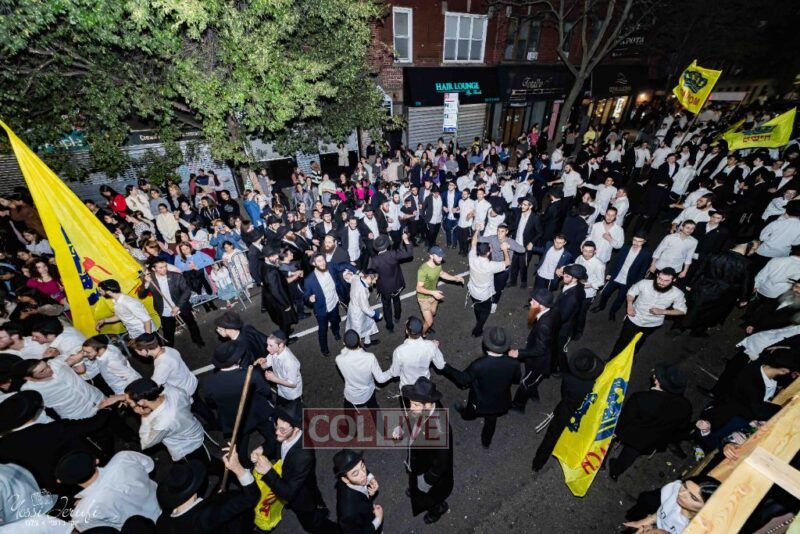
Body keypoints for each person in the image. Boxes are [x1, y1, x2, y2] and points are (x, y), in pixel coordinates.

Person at [0, 390, 112, 493]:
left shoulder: (3, 448)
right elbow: (95, 423)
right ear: (33, 413)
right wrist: (106, 408)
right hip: (87, 472)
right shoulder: (54, 429)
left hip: (59, 490)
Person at [251, 403, 338, 533]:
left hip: (301, 496)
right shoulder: (284, 430)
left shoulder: (303, 456)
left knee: (312, 524)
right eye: (276, 426)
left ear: (296, 429)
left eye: (282, 430)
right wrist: (262, 448)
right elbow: (273, 442)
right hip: (289, 479)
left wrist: (268, 471)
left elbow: (288, 492)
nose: (277, 432)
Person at [609, 363, 692, 480]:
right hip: (652, 441)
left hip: (632, 434)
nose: (653, 375)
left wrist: (616, 432)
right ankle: (615, 472)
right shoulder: (685, 406)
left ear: (658, 382)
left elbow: (624, 420)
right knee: (630, 455)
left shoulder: (640, 398)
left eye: (656, 375)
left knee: (624, 448)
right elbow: (681, 430)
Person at [444, 327, 521, 448]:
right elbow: (516, 379)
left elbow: (463, 379)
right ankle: (486, 442)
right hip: (500, 402)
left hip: (479, 401)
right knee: (491, 422)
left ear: (486, 345)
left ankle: (464, 414)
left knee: (469, 412)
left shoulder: (479, 365)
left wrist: (445, 366)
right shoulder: (514, 363)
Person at [530, 349, 604, 471]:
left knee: (551, 437)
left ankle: (538, 463)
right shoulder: (595, 383)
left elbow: (564, 394)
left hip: (565, 411)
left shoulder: (569, 379)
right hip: (587, 413)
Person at [394, 377, 454, 524]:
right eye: (411, 402)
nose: (411, 407)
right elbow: (410, 415)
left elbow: (441, 464)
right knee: (416, 485)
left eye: (415, 404)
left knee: (431, 497)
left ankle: (437, 509)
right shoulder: (424, 408)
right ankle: (415, 489)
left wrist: (426, 481)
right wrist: (401, 427)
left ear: (428, 404)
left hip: (429, 472)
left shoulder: (440, 431)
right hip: (418, 460)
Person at [54, 449, 161, 531]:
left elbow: (106, 531)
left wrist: (83, 504)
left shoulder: (82, 515)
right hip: (164, 500)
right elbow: (150, 467)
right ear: (96, 460)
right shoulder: (124, 457)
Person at [205, 342, 275, 466]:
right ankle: (270, 454)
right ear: (237, 360)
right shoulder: (251, 375)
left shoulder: (209, 383)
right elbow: (266, 391)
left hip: (234, 418)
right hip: (257, 413)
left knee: (241, 444)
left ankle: (244, 465)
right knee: (272, 436)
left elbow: (210, 402)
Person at [156, 451, 260, 533]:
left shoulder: (162, 523)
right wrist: (238, 468)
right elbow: (252, 496)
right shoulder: (206, 517)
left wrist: (216, 498)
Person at [124, 379, 208, 465]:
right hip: (195, 429)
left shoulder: (161, 422)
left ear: (141, 402)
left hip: (187, 448)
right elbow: (189, 400)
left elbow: (147, 442)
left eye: (129, 402)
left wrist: (145, 416)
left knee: (202, 466)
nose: (126, 403)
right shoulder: (173, 391)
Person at [609, 267, 687, 358]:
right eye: (660, 278)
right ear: (657, 275)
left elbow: (682, 310)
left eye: (666, 281)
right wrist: (629, 305)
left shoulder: (678, 294)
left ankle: (630, 358)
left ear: (673, 280)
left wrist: (663, 311)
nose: (661, 282)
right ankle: (612, 358)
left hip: (652, 323)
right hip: (634, 318)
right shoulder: (644, 283)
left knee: (639, 341)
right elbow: (631, 292)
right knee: (623, 339)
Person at [510, 289, 561, 411]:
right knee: (531, 380)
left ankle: (518, 406)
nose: (530, 302)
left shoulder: (544, 325)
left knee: (526, 383)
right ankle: (533, 393)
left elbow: (540, 350)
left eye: (534, 301)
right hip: (544, 352)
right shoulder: (553, 311)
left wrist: (519, 353)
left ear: (542, 306)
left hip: (541, 362)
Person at [138, 256, 205, 347]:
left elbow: (186, 291)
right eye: (160, 267)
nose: (164, 269)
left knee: (192, 324)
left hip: (181, 306)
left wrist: (178, 306)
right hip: (164, 310)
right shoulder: (150, 279)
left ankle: (198, 340)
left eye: (165, 266)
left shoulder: (176, 276)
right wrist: (146, 283)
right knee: (168, 332)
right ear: (153, 269)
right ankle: (169, 349)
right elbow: (141, 295)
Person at [623, 477, 720, 533]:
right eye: (685, 486)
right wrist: (645, 522)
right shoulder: (675, 490)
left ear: (707, 507)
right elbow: (662, 511)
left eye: (693, 497)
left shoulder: (697, 528)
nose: (681, 493)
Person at [592, 233, 651, 321]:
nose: (636, 243)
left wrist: (637, 283)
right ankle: (601, 306)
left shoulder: (645, 255)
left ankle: (612, 313)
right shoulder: (625, 248)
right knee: (605, 293)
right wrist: (610, 273)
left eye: (639, 241)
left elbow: (642, 271)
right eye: (634, 240)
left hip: (629, 281)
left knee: (620, 299)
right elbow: (615, 261)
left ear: (644, 242)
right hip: (616, 276)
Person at [468, 225, 511, 337]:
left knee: (477, 306)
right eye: (490, 248)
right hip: (484, 295)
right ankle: (478, 328)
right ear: (488, 253)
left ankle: (478, 321)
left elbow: (473, 243)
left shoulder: (472, 258)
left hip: (473, 291)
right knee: (486, 311)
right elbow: (507, 263)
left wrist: (477, 230)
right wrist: (505, 250)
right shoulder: (491, 266)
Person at [387, 316, 446, 396]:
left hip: (407, 387)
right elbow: (440, 366)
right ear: (421, 330)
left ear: (407, 331)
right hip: (424, 386)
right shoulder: (430, 346)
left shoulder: (399, 351)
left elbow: (395, 373)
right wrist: (435, 348)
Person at [335, 329, 391, 411]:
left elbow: (344, 353)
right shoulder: (369, 357)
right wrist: (392, 371)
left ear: (343, 343)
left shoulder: (339, 359)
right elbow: (381, 379)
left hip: (351, 395)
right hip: (367, 393)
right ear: (360, 340)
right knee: (374, 409)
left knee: (348, 412)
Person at [415, 245, 465, 335]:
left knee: (433, 313)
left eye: (441, 256)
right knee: (430, 321)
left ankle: (426, 323)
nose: (441, 259)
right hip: (424, 298)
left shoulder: (438, 264)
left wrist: (455, 278)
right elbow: (418, 288)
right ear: (431, 256)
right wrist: (432, 293)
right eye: (438, 256)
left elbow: (442, 274)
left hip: (434, 295)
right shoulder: (423, 270)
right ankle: (420, 335)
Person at [370, 233, 413, 333]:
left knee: (386, 306)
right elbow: (409, 253)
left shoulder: (375, 260)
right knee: (397, 300)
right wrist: (405, 240)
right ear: (387, 245)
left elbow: (372, 272)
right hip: (396, 284)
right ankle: (397, 317)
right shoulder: (393, 254)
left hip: (384, 288)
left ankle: (390, 326)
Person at [333, 449, 384, 533]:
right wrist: (378, 519)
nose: (364, 474)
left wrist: (371, 479)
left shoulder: (352, 474)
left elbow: (358, 468)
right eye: (356, 474)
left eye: (362, 466)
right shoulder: (348, 513)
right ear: (345, 479)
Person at [304, 253, 345, 357]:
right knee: (323, 330)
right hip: (321, 309)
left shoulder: (330, 268)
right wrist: (309, 299)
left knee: (335, 321)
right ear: (314, 264)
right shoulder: (309, 280)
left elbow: (343, 267)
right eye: (319, 261)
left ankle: (336, 332)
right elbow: (306, 296)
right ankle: (324, 348)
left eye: (323, 260)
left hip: (334, 303)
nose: (322, 263)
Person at [256, 332, 303, 411]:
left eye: (271, 345)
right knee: (280, 412)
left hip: (292, 396)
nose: (267, 348)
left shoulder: (290, 362)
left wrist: (273, 379)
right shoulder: (274, 352)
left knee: (294, 416)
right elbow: (266, 364)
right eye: (267, 345)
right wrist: (262, 362)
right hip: (281, 391)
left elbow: (293, 384)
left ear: (280, 344)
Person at [260, 247, 299, 340]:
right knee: (285, 322)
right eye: (273, 256)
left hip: (274, 301)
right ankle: (285, 339)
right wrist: (285, 305)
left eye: (275, 254)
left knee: (284, 321)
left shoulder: (266, 265)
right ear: (266, 258)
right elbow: (275, 292)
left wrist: (289, 274)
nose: (276, 257)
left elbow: (278, 274)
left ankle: (287, 331)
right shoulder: (270, 273)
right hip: (278, 302)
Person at [573, 241, 605, 340]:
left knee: (581, 314)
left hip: (587, 294)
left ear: (595, 251)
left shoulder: (599, 265)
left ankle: (578, 331)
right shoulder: (579, 258)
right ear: (582, 250)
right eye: (585, 251)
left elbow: (601, 282)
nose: (587, 254)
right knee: (573, 310)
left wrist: (590, 285)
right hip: (576, 289)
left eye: (590, 251)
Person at [508, 197, 542, 288]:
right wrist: (506, 228)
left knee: (523, 265)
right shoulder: (519, 213)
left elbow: (539, 233)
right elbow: (515, 225)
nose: (522, 206)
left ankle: (523, 282)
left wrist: (532, 242)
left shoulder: (535, 218)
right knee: (514, 264)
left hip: (525, 246)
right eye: (522, 204)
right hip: (516, 244)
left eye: (525, 205)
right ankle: (513, 281)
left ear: (530, 206)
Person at [344, 268, 382, 346]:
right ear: (369, 277)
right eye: (374, 280)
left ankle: (367, 342)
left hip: (355, 308)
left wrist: (346, 273)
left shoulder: (357, 278)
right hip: (358, 314)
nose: (375, 282)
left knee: (367, 325)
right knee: (357, 332)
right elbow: (365, 308)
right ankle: (357, 347)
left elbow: (348, 277)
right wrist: (377, 315)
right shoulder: (362, 291)